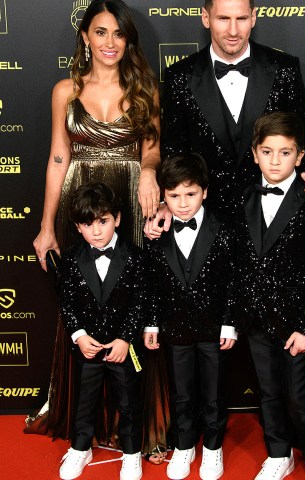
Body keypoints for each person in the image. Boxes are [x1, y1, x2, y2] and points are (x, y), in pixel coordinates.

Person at [27, 0, 167, 463]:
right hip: (80, 200)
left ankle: (135, 426)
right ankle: (82, 427)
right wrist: (48, 225)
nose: (110, 43)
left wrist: (148, 173)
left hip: (129, 196)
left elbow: (151, 150)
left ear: (129, 40)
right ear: (85, 36)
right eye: (101, 32)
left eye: (119, 34)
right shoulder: (64, 91)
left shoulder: (144, 86)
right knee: (85, 300)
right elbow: (58, 158)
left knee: (131, 298)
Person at [145, 0, 305, 240]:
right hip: (205, 222)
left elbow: (303, 137)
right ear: (206, 18)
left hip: (270, 220)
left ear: (253, 17)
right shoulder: (179, 76)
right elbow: (174, 150)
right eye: (223, 19)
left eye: (241, 19)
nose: (233, 31)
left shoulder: (284, 69)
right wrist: (169, 201)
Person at [236, 111, 305, 480]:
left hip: (295, 322)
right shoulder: (241, 195)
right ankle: (279, 454)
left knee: (300, 399)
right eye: (268, 151)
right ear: (255, 154)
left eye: (286, 152)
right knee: (269, 391)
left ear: (301, 156)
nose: (276, 161)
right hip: (256, 318)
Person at [143, 152, 237, 480]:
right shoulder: (156, 232)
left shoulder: (224, 229)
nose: (183, 203)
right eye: (174, 196)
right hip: (175, 329)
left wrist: (229, 323)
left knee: (213, 392)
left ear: (205, 191)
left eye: (191, 194)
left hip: (213, 328)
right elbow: (152, 283)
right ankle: (185, 445)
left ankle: (212, 446)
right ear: (164, 198)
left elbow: (233, 282)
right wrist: (152, 322)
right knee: (181, 391)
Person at [58, 182, 148, 480]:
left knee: (129, 401)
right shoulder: (70, 259)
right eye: (88, 224)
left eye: (103, 221)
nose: (96, 231)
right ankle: (80, 448)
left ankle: (132, 453)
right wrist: (79, 335)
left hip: (123, 347)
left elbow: (140, 302)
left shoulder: (135, 257)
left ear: (118, 219)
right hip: (88, 348)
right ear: (77, 227)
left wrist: (126, 338)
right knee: (85, 401)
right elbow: (67, 303)